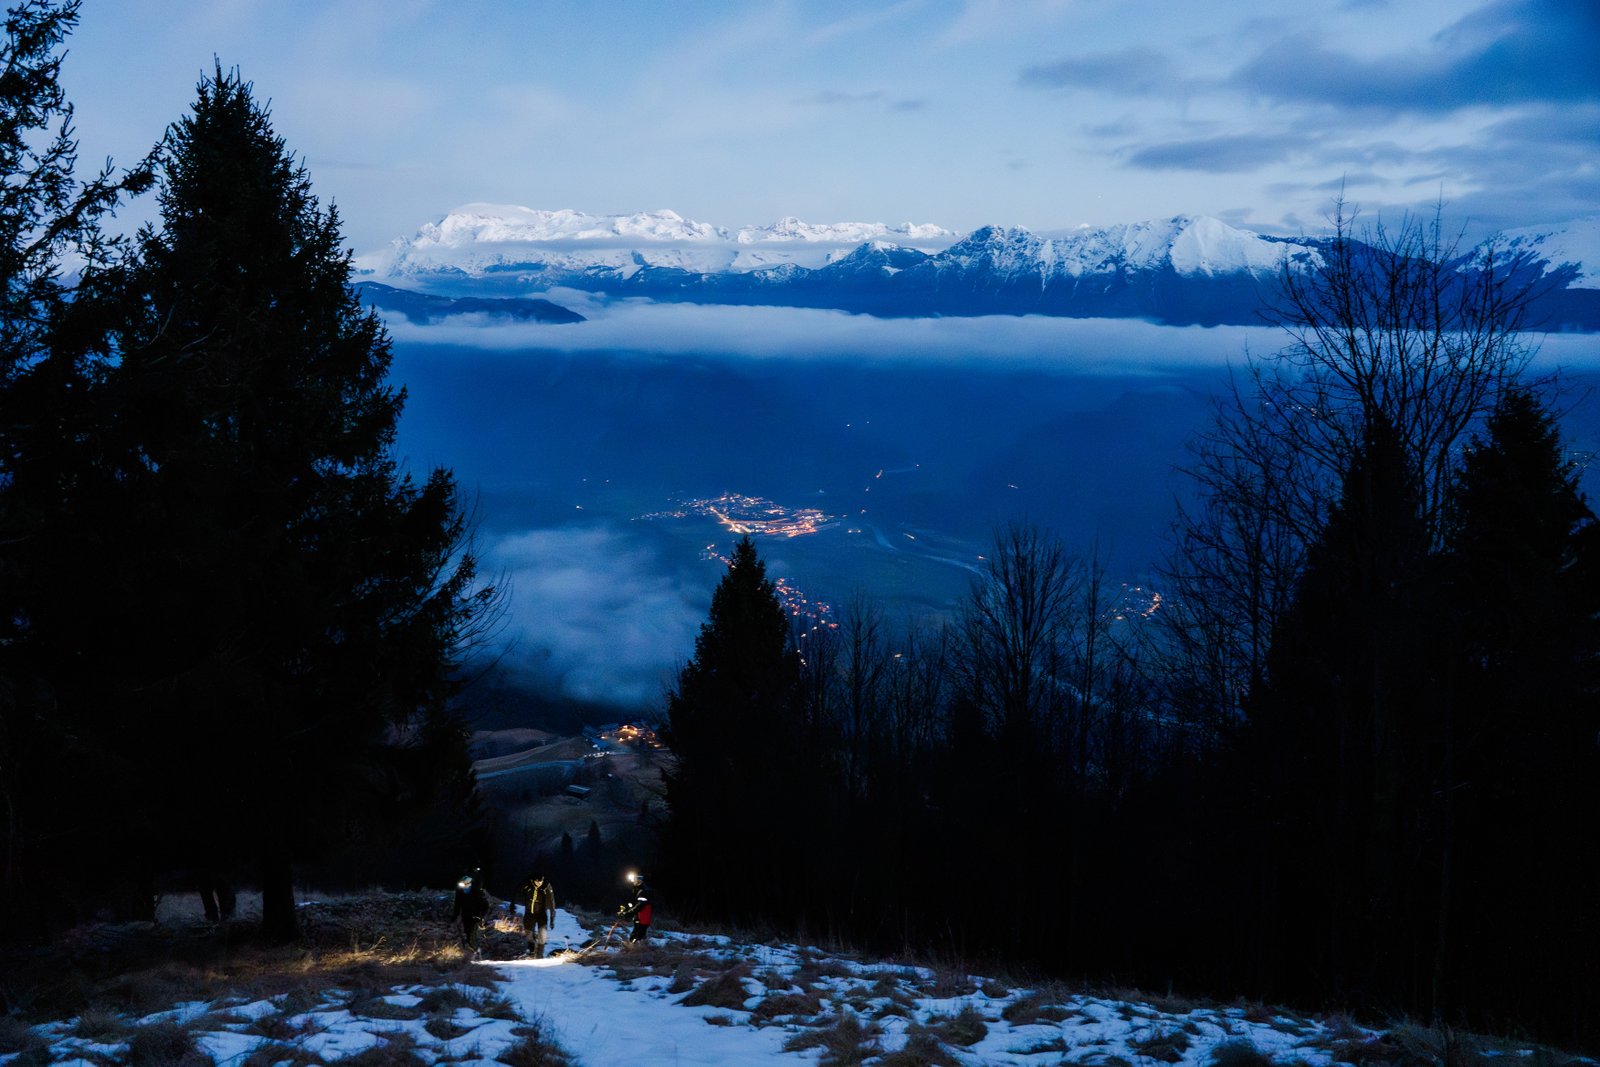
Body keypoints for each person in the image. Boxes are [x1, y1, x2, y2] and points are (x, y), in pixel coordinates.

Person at [450, 868, 491, 957]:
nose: (463, 885)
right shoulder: (460, 893)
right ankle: (473, 952)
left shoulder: (476, 892)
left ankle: (474, 952)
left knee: (471, 934)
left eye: (465, 883)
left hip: (475, 916)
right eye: (462, 884)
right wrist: (455, 915)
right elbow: (457, 904)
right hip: (466, 915)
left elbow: (485, 906)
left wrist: (481, 917)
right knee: (467, 933)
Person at [518, 871, 556, 958]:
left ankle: (539, 955)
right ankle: (531, 949)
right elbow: (519, 891)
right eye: (538, 881)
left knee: (542, 935)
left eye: (541, 881)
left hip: (542, 914)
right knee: (528, 932)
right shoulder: (528, 884)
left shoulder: (546, 886)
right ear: (534, 880)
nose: (539, 883)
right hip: (529, 913)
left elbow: (552, 902)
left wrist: (552, 919)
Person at [617, 870, 653, 945]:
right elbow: (633, 904)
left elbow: (639, 906)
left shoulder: (644, 891)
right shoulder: (636, 890)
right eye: (633, 880)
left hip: (643, 917)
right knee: (635, 933)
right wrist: (625, 910)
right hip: (638, 917)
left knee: (638, 935)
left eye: (635, 880)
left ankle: (636, 949)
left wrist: (627, 914)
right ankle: (633, 947)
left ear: (640, 880)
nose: (633, 881)